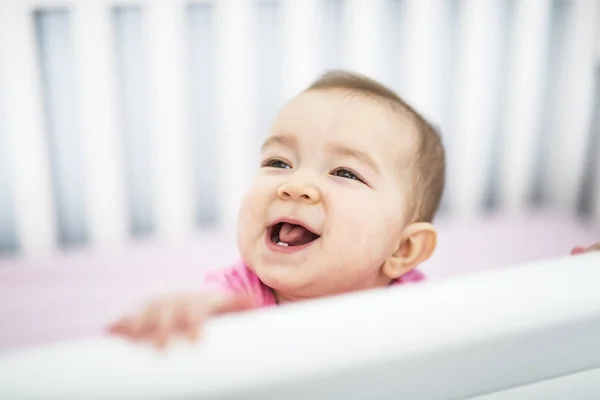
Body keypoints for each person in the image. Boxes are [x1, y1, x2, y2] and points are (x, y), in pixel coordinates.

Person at [108, 70, 600, 348]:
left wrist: (567, 289)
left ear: (404, 251)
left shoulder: (419, 308)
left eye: (344, 173)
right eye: (278, 161)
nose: (296, 185)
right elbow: (205, 314)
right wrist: (187, 314)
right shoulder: (237, 300)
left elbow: (500, 325)